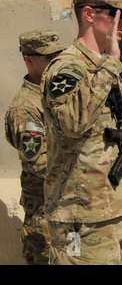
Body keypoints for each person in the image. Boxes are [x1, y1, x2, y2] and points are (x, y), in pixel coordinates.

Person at [40, 0, 122, 265]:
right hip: (79, 219)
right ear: (89, 14)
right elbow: (72, 124)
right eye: (116, 13)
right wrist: (109, 64)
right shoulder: (67, 68)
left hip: (111, 212)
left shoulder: (103, 66)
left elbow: (113, 139)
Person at [4, 29, 64, 264]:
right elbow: (37, 162)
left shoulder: (56, 94)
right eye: (48, 58)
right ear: (28, 60)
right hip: (45, 215)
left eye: (57, 56)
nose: (55, 62)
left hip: (66, 208)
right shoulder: (26, 108)